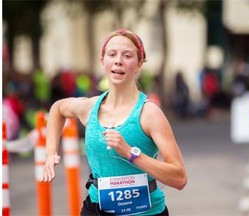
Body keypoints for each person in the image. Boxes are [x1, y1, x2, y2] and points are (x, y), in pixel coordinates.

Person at [42, 29, 187, 215]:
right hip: (96, 209)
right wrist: (50, 152)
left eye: (127, 55)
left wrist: (130, 153)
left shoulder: (149, 114)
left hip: (145, 212)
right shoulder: (89, 107)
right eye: (112, 54)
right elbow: (57, 109)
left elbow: (179, 178)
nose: (118, 60)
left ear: (139, 64)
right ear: (102, 62)